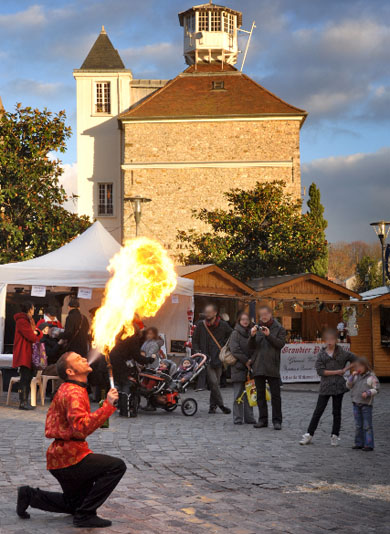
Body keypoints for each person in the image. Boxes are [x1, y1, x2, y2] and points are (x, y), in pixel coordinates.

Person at [16, 351, 126, 528]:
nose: (83, 358)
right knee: (116, 466)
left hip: (61, 457)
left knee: (74, 504)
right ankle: (85, 515)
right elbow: (81, 429)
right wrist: (108, 406)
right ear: (70, 372)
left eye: (82, 357)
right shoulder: (73, 392)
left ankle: (30, 496)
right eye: (77, 359)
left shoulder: (73, 388)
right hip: (70, 458)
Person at [300, 328, 356, 446]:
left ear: (336, 340)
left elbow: (356, 360)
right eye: (327, 339)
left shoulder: (342, 353)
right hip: (325, 386)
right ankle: (309, 434)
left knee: (336, 412)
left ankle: (335, 435)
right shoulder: (321, 354)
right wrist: (337, 371)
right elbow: (321, 371)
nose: (329, 341)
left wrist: (346, 369)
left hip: (338, 387)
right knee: (318, 411)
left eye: (332, 339)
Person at [248, 305, 286, 430]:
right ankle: (262, 420)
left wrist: (269, 335)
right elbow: (250, 347)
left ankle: (277, 421)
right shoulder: (256, 327)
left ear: (270, 314)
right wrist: (252, 336)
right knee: (260, 395)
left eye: (266, 314)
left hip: (272, 366)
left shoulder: (279, 328)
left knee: (275, 395)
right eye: (261, 314)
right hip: (258, 365)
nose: (263, 316)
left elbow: (280, 344)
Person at [191, 303, 232, 414]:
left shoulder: (223, 325)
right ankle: (222, 405)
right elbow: (194, 340)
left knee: (216, 384)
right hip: (206, 359)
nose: (207, 314)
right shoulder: (201, 325)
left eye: (209, 312)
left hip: (218, 359)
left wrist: (225, 346)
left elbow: (232, 335)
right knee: (213, 383)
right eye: (206, 312)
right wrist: (197, 352)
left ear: (215, 313)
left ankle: (212, 406)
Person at [110, 325, 155, 417]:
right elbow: (137, 356)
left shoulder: (117, 336)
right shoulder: (132, 339)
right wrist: (150, 360)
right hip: (124, 365)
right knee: (127, 384)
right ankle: (126, 410)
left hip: (115, 364)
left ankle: (120, 407)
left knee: (120, 384)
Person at [12, 301, 43, 410]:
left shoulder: (30, 320)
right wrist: (36, 333)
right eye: (33, 308)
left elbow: (38, 333)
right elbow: (31, 336)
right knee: (25, 377)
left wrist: (36, 333)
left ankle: (25, 401)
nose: (34, 310)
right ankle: (23, 402)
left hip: (29, 352)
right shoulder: (22, 321)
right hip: (24, 352)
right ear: (29, 309)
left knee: (29, 377)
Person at [346, 357, 379, 451]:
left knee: (367, 425)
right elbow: (348, 385)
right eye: (356, 367)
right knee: (358, 425)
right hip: (356, 403)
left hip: (366, 405)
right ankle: (358, 443)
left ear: (365, 366)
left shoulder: (371, 377)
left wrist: (368, 393)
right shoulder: (355, 376)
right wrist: (351, 376)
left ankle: (369, 444)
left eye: (360, 366)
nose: (357, 369)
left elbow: (377, 388)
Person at [230, 312, 256, 425]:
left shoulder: (253, 332)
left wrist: (251, 360)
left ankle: (249, 417)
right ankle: (238, 418)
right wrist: (246, 361)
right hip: (239, 367)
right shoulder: (235, 333)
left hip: (250, 368)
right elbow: (235, 350)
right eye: (243, 319)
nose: (245, 321)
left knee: (250, 394)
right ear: (239, 321)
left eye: (247, 319)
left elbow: (256, 347)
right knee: (238, 394)